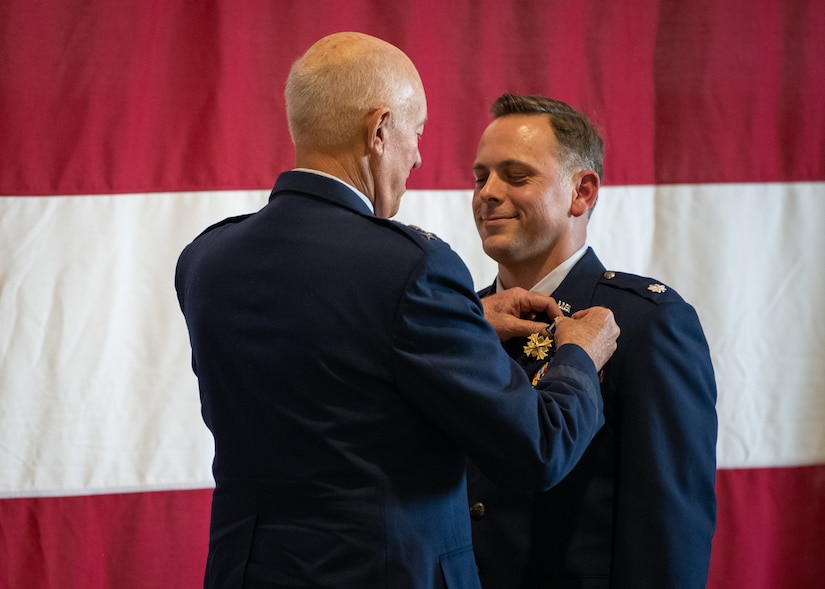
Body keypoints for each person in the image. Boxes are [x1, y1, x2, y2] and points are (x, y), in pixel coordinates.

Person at [175, 34, 620, 589]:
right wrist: (581, 352)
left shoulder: (206, 259)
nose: (418, 154)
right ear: (379, 129)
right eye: (417, 131)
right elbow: (539, 449)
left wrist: (465, 320)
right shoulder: (412, 268)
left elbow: (323, 358)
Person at [467, 93, 718, 588]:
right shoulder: (458, 318)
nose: (487, 193)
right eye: (480, 177)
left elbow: (667, 530)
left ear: (582, 192)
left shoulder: (646, 322)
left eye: (516, 176)